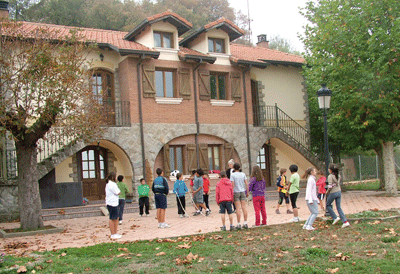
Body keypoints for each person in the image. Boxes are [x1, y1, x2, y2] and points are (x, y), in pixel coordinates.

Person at [326, 164, 350, 228]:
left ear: (330, 170)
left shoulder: (330, 176)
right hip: (339, 191)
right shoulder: (338, 175)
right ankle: (345, 221)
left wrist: (327, 192)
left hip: (333, 192)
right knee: (339, 207)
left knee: (328, 205)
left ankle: (335, 217)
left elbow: (330, 186)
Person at [230, 163, 249, 229]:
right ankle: (245, 222)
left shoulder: (233, 175)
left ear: (234, 168)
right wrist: (247, 191)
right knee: (244, 207)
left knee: (238, 208)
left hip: (236, 192)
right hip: (242, 191)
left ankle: (238, 224)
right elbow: (246, 183)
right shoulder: (243, 174)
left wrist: (231, 193)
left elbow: (232, 185)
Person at [105, 172, 121, 239]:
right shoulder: (113, 184)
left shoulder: (108, 184)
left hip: (112, 203)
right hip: (112, 203)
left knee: (116, 218)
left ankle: (115, 232)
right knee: (112, 218)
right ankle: (113, 234)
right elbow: (118, 192)